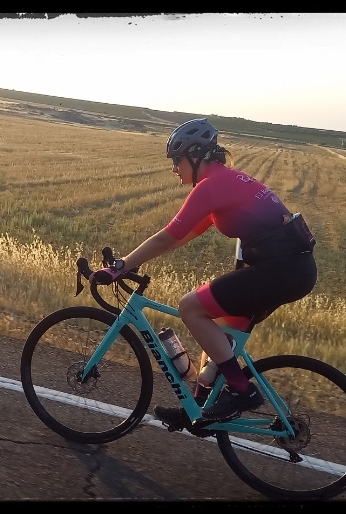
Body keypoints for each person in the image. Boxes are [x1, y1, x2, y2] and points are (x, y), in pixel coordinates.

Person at [91, 118, 317, 426]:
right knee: (217, 340)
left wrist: (120, 267)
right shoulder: (228, 181)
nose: (174, 168)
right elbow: (180, 238)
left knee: (190, 307)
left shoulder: (211, 187)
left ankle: (241, 391)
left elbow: (166, 236)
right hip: (292, 270)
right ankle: (196, 411)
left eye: (176, 160)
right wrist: (130, 263)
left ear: (196, 156)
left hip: (280, 272)